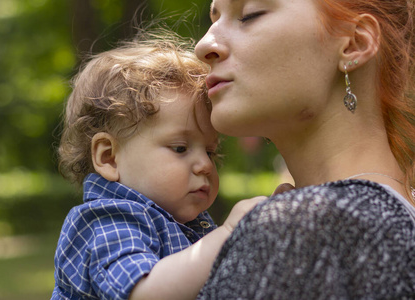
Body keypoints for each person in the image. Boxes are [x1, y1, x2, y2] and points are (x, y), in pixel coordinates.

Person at [195, 0, 415, 298]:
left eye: (249, 15)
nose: (203, 45)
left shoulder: (305, 226)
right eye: (215, 18)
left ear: (354, 43)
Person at [51, 31, 264, 300]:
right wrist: (228, 235)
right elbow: (145, 293)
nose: (205, 166)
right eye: (180, 148)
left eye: (210, 152)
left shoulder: (188, 223)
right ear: (109, 157)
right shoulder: (106, 220)